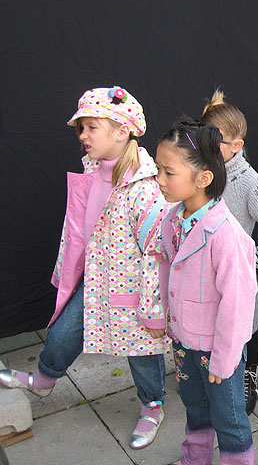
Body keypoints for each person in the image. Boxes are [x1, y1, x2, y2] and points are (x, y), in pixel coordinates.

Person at [0, 86, 169, 449]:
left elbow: (156, 254)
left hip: (133, 290)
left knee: (141, 352)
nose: (82, 136)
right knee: (63, 334)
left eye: (91, 127)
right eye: (81, 128)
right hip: (95, 278)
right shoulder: (93, 168)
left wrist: (154, 310)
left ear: (122, 131)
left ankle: (152, 405)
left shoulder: (145, 189)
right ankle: (44, 382)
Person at [155, 121, 257, 465]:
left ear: (203, 178)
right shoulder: (172, 220)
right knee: (194, 408)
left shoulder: (226, 235)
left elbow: (239, 302)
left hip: (218, 351)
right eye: (158, 170)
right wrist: (164, 316)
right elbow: (166, 269)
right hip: (184, 341)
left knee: (229, 418)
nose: (159, 179)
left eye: (168, 172)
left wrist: (226, 358)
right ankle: (194, 458)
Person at [201, 89, 258, 414]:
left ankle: (249, 373)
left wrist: (250, 261)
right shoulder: (203, 169)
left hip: (238, 274)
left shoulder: (248, 181)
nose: (209, 147)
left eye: (217, 142)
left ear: (236, 146)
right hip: (206, 271)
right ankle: (213, 367)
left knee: (247, 325)